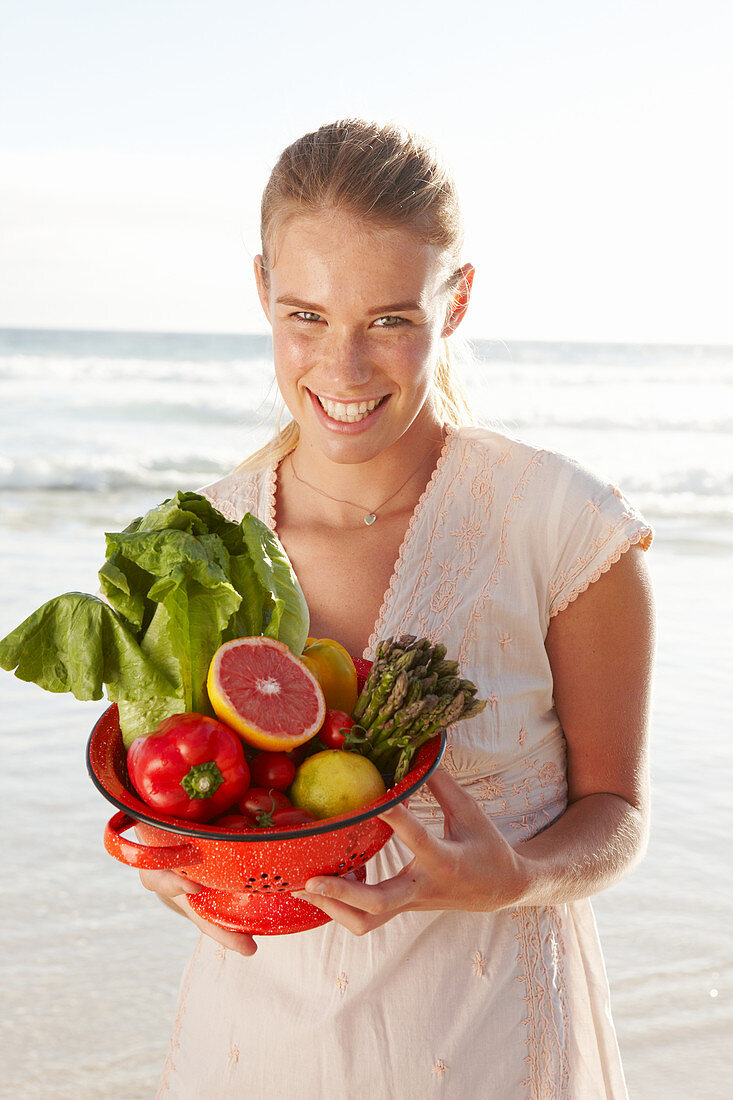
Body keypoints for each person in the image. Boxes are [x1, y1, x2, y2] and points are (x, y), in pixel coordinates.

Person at [141, 119, 655, 1099]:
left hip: (493, 1041)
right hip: (253, 1047)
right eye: (305, 316)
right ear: (260, 291)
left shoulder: (562, 522)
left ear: (454, 300)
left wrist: (518, 876)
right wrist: (166, 861)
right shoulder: (204, 536)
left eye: (389, 319)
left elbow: (616, 812)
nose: (341, 366)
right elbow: (174, 789)